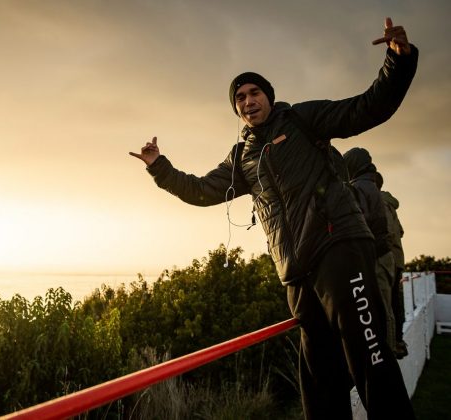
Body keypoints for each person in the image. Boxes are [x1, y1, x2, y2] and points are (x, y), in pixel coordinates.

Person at [130, 17, 417, 420]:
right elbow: (199, 190)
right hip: (296, 275)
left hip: (339, 249)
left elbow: (368, 107)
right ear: (237, 108)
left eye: (255, 92)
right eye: (240, 98)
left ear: (268, 95)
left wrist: (398, 59)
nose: (249, 101)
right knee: (319, 381)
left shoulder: (301, 120)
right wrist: (159, 167)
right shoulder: (242, 158)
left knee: (368, 356)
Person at [344, 147, 397, 357]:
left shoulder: (360, 187)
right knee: (386, 309)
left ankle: (388, 356)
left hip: (376, 258)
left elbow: (361, 222)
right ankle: (389, 352)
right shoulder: (371, 184)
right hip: (384, 256)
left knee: (382, 311)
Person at [375, 170, 409, 359]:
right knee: (395, 301)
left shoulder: (379, 203)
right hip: (397, 259)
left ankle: (393, 344)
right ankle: (398, 341)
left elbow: (386, 232)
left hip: (389, 260)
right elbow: (400, 232)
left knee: (389, 304)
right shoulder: (390, 204)